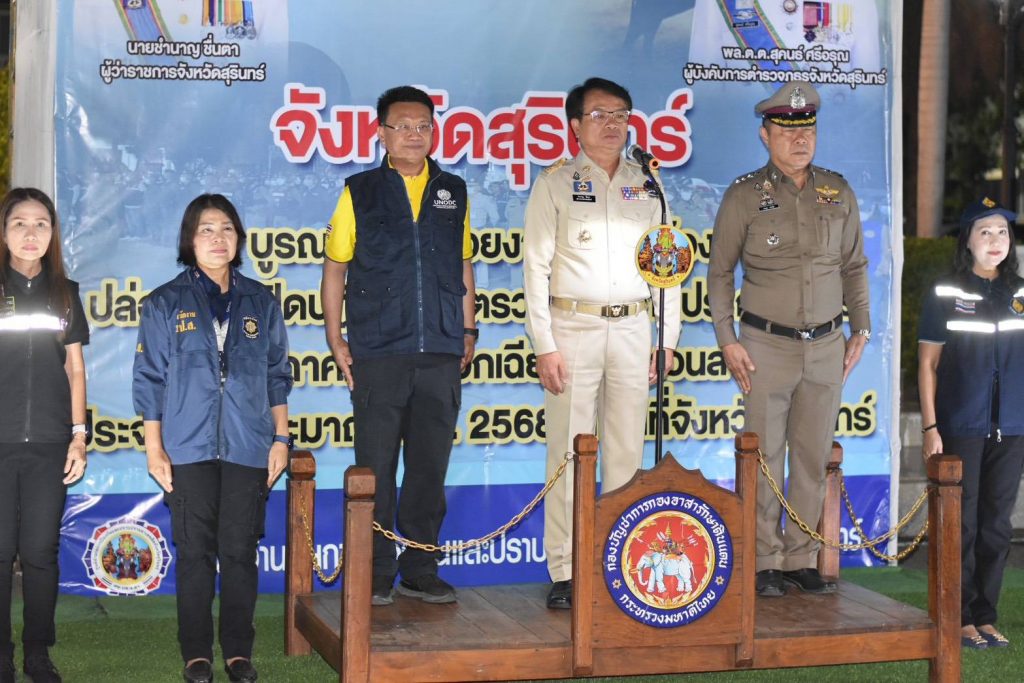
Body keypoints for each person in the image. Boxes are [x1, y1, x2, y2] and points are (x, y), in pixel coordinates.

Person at [523, 77, 682, 609]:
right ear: (575, 125)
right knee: (569, 451)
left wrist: (667, 337)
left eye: (621, 114)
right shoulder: (555, 183)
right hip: (573, 328)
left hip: (635, 328)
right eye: (599, 115)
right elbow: (535, 268)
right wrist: (544, 344)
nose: (612, 124)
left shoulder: (648, 184)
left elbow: (667, 267)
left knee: (626, 453)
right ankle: (567, 570)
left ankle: (621, 562)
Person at [707, 81, 869, 597]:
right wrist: (727, 339)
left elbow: (854, 266)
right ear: (765, 135)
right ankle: (763, 561)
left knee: (812, 454)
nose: (800, 140)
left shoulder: (838, 192)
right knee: (764, 454)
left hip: (825, 346)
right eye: (787, 131)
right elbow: (719, 273)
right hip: (765, 346)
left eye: (808, 131)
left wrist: (861, 327)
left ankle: (800, 557)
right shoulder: (743, 195)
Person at [321, 85, 476, 607]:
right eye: (403, 126)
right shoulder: (359, 191)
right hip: (379, 350)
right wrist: (335, 337)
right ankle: (375, 571)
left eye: (423, 126)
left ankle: (420, 569)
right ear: (381, 133)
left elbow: (463, 263)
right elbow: (336, 267)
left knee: (429, 468)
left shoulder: (453, 189)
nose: (414, 134)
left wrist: (468, 330)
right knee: (377, 468)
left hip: (440, 351)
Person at [133, 194, 292, 683]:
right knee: (196, 554)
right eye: (206, 229)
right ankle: (197, 654)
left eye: (226, 228)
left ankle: (239, 653)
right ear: (190, 239)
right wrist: (154, 448)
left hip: (249, 445)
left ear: (238, 238)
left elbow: (277, 375)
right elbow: (149, 379)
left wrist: (281, 439)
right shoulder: (164, 302)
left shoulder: (261, 301)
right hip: (187, 447)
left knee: (240, 553)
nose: (218, 238)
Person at [918, 197, 1023, 650]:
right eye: (985, 232)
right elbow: (928, 365)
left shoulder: (1021, 292)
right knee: (962, 524)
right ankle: (957, 618)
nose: (995, 240)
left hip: (1012, 428)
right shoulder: (945, 292)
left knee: (997, 527)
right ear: (967, 240)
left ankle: (985, 616)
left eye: (1002, 232)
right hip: (961, 425)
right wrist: (930, 428)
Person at [0, 188, 88, 683]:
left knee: (38, 552)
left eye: (41, 224)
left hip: (52, 444)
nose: (30, 233)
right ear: (3, 232)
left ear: (53, 234)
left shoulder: (65, 293)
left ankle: (37, 653)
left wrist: (78, 436)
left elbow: (75, 369)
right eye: (19, 223)